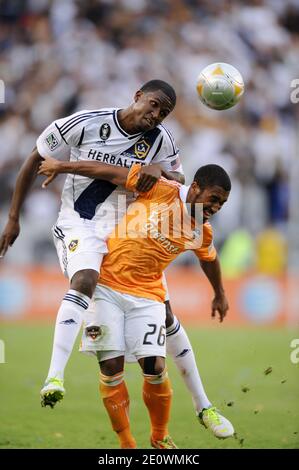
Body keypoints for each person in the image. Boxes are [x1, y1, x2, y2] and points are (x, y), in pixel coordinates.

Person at [0, 79, 185, 404]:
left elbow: (180, 178)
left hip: (127, 234)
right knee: (85, 278)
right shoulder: (86, 123)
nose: (156, 115)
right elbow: (34, 158)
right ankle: (54, 376)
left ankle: (203, 404)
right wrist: (15, 218)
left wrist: (160, 170)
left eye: (164, 113)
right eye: (154, 104)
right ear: (137, 95)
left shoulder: (161, 141)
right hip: (80, 224)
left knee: (166, 312)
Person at [39, 157, 235, 447]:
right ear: (195, 188)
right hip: (106, 285)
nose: (216, 208)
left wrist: (219, 292)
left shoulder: (201, 230)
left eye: (221, 204)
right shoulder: (159, 188)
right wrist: (62, 166)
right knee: (111, 367)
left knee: (155, 366)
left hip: (148, 295)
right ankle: (127, 443)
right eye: (214, 199)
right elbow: (107, 171)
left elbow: (210, 258)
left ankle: (160, 436)